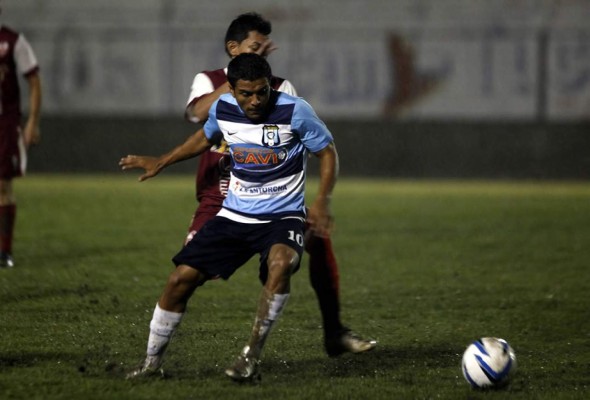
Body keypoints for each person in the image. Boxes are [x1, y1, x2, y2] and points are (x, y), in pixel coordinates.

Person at [120, 53, 339, 381]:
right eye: (245, 93)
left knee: (282, 264)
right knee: (180, 279)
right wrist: (162, 161)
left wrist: (322, 201)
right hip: (234, 216)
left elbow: (327, 151)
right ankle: (150, 364)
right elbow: (204, 137)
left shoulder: (296, 110)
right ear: (232, 90)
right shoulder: (223, 108)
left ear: (269, 86)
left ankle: (249, 356)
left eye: (261, 92)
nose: (254, 101)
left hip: (283, 216)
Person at [184, 12, 375, 358]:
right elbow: (197, 114)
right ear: (233, 48)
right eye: (253, 48)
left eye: (262, 50)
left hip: (275, 195)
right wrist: (236, 78)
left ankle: (333, 331)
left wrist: (318, 202)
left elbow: (301, 139)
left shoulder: (280, 88)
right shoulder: (209, 80)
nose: (260, 55)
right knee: (192, 272)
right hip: (219, 194)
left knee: (316, 238)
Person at [0, 5, 42, 268]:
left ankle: (4, 251)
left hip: (5, 124)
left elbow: (34, 81)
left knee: (3, 187)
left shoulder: (13, 41)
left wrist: (32, 123)